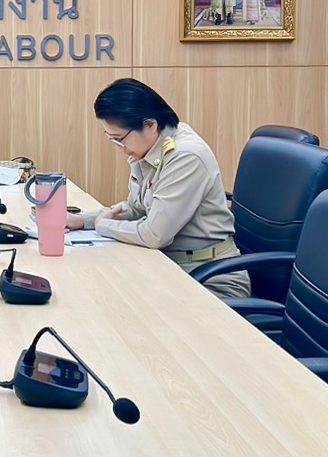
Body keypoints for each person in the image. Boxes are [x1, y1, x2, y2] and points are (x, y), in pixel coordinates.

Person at [69, 78, 247, 298]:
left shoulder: (184, 157)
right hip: (171, 267)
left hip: (210, 279)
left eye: (120, 139)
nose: (120, 148)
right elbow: (137, 209)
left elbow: (154, 235)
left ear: (150, 125)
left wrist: (104, 226)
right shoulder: (148, 149)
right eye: (112, 140)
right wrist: (81, 221)